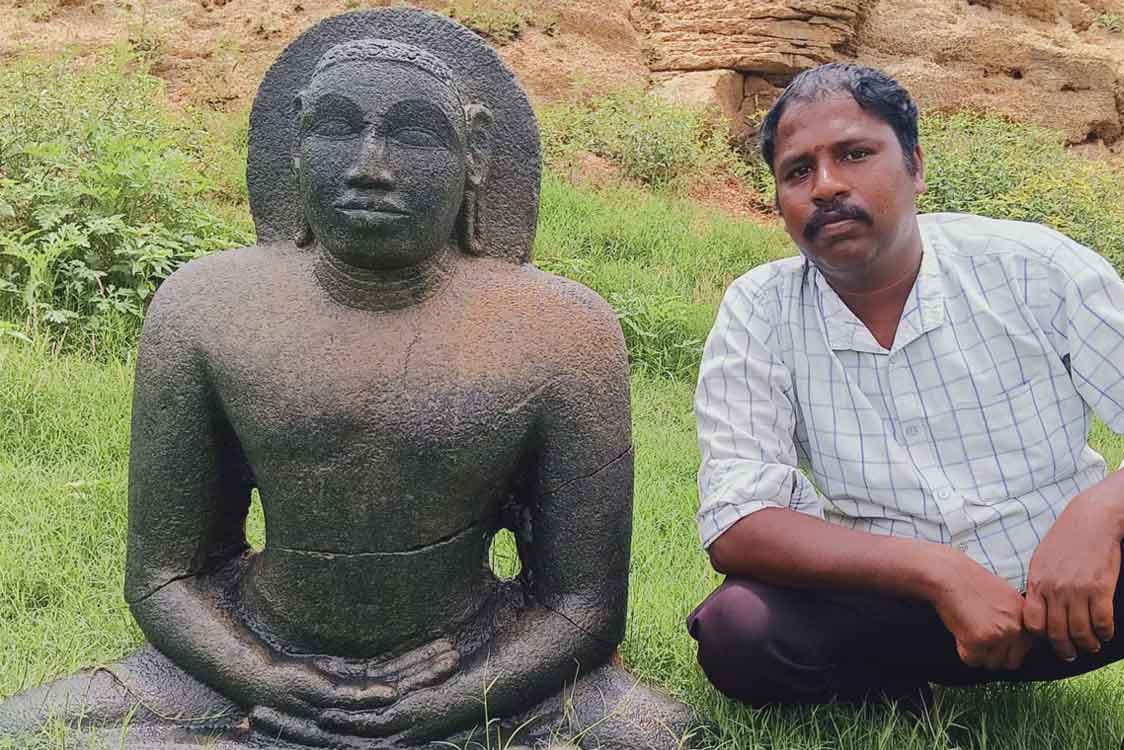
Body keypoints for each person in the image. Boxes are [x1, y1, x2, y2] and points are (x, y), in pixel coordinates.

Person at [0, 27, 694, 750]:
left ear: (478, 154)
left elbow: (584, 607)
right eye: (335, 128)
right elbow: (163, 577)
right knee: (27, 727)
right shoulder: (202, 308)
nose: (370, 168)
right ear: (295, 144)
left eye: (415, 135)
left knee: (658, 734)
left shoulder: (564, 329)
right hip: (253, 650)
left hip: (472, 656)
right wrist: (266, 678)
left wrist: (454, 700)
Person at [686, 62, 1124, 750]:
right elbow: (738, 520)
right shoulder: (761, 310)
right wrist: (936, 572)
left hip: (1079, 598)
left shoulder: (1028, 265)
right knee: (738, 629)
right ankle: (890, 689)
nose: (826, 186)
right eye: (797, 171)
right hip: (909, 613)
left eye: (854, 153)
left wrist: (1099, 516)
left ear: (915, 166)